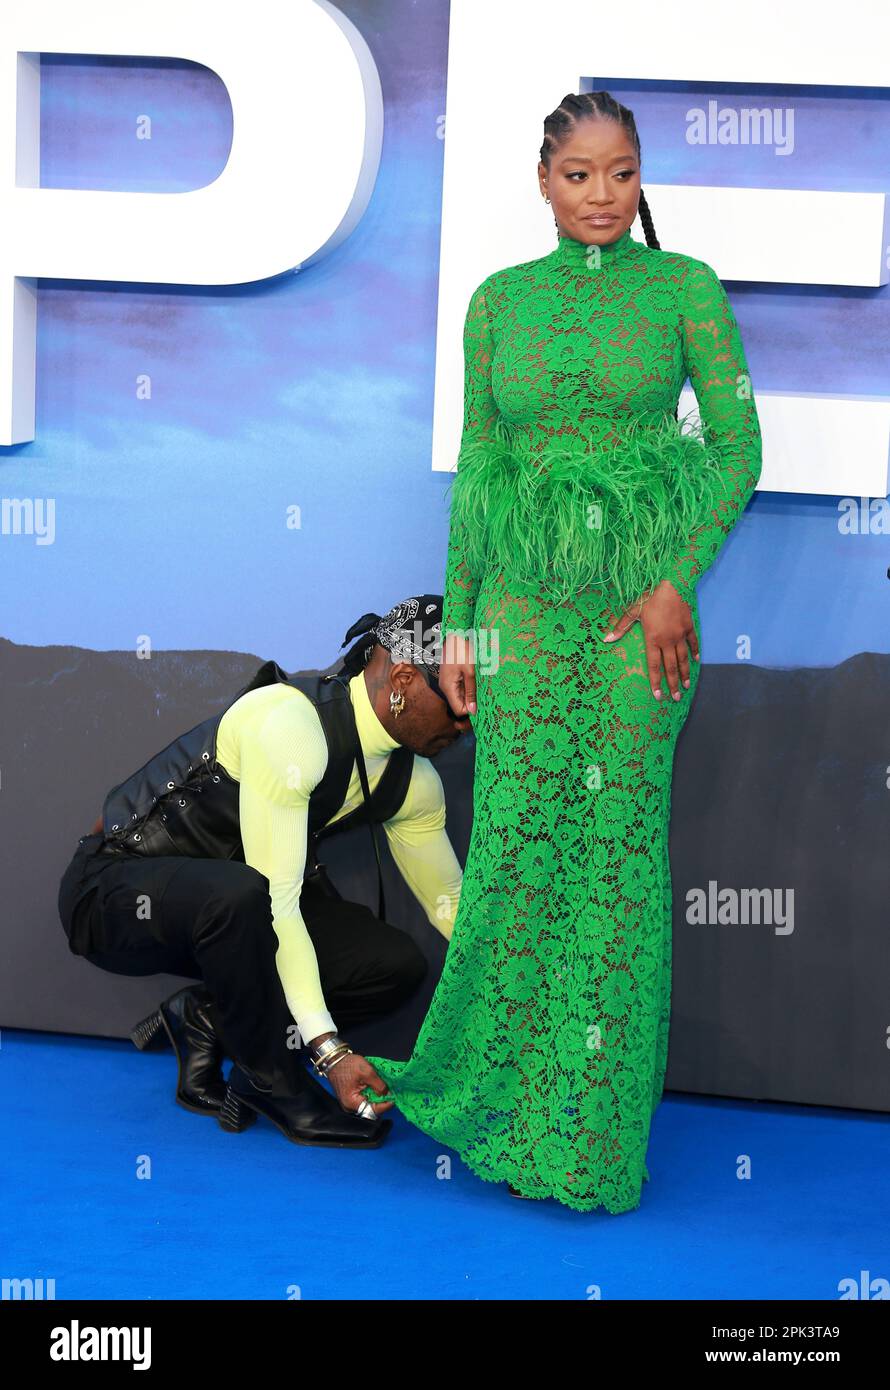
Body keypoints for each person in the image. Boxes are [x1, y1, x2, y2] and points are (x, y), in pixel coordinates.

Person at [362, 92, 763, 1211]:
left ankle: (585, 1135)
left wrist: (676, 574)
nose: (599, 195)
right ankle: (495, 1103)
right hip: (527, 625)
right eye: (577, 174)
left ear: (640, 180)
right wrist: (466, 630)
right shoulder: (496, 306)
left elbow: (735, 449)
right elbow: (480, 479)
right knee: (516, 856)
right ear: (542, 181)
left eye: (619, 173)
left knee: (615, 861)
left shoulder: (682, 289)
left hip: (640, 623)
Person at [57, 596, 468, 1149]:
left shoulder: (413, 784)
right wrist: (331, 1052)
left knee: (391, 964)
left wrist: (535, 992)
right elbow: (276, 902)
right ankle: (273, 1081)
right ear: (403, 678)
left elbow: (453, 909)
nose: (469, 722)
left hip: (239, 908)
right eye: (461, 699)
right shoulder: (290, 724)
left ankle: (209, 1016)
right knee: (244, 897)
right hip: (112, 891)